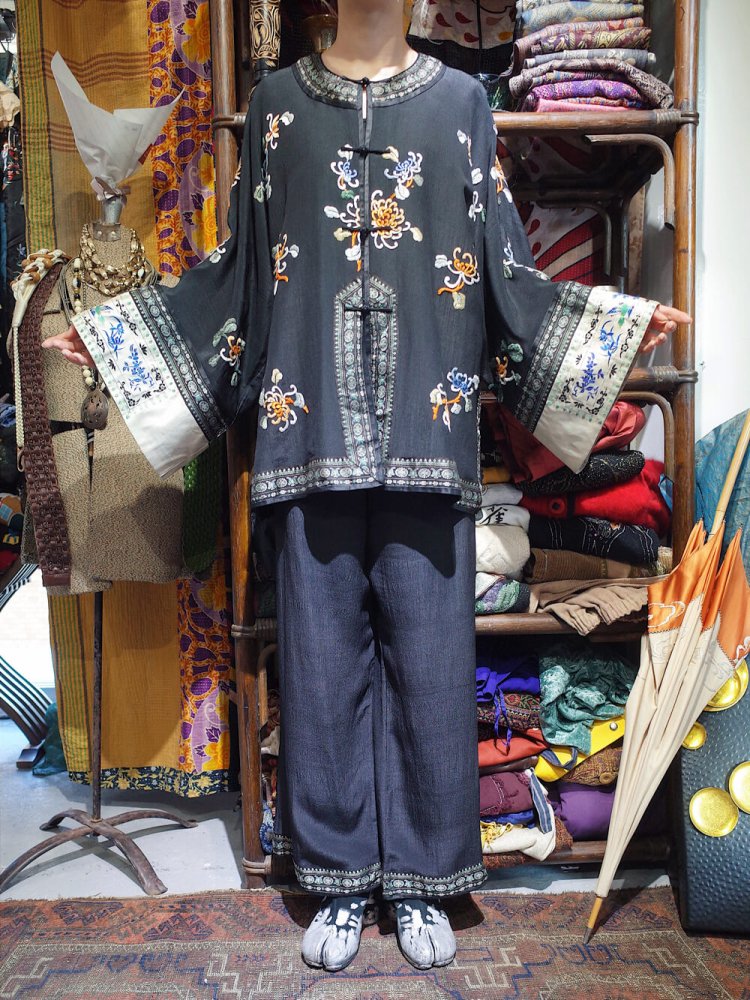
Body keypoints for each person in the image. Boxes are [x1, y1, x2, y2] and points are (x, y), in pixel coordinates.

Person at [44, 0, 690, 974]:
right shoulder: (275, 108)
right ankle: (343, 883)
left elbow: (506, 272)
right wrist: (115, 339)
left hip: (430, 447)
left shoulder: (463, 106)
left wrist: (603, 326)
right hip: (309, 441)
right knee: (319, 672)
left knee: (432, 671)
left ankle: (424, 883)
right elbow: (236, 277)